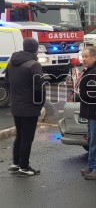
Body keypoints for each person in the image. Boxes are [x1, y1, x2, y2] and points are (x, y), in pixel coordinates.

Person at [5, 38, 45, 176]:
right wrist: (40, 104)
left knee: (20, 135)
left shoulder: (12, 62)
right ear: (36, 49)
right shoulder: (34, 65)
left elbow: (7, 81)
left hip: (16, 105)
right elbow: (39, 87)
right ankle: (24, 166)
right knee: (27, 137)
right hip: (30, 107)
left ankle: (16, 163)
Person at [78, 47, 96, 180]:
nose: (83, 59)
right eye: (82, 56)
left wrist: (81, 94)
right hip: (92, 111)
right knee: (91, 138)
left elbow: (94, 93)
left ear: (94, 57)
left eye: (86, 56)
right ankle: (91, 166)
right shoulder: (91, 70)